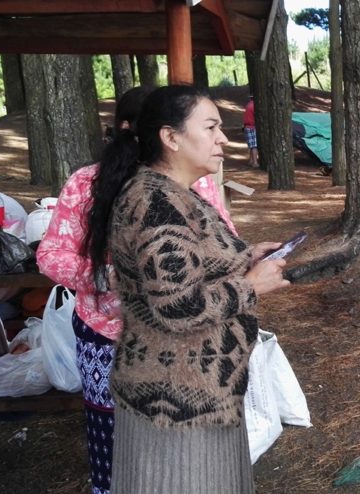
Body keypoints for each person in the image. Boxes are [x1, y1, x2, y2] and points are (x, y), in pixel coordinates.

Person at [84, 85, 289, 494]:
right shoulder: (158, 204)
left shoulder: (170, 193)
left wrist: (243, 256)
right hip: (178, 405)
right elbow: (179, 306)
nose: (222, 138)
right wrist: (250, 286)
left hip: (193, 391)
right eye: (211, 127)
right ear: (171, 137)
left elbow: (185, 262)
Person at [36, 85, 238, 494]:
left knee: (183, 447)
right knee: (118, 449)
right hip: (109, 339)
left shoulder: (197, 184)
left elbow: (226, 242)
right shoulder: (87, 183)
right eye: (207, 127)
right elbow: (51, 255)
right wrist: (110, 276)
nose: (219, 139)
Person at [242, 96, 259, 167]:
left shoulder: (249, 105)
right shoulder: (254, 106)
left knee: (251, 145)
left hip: (247, 126)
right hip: (252, 127)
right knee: (254, 145)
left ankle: (251, 160)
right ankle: (255, 162)